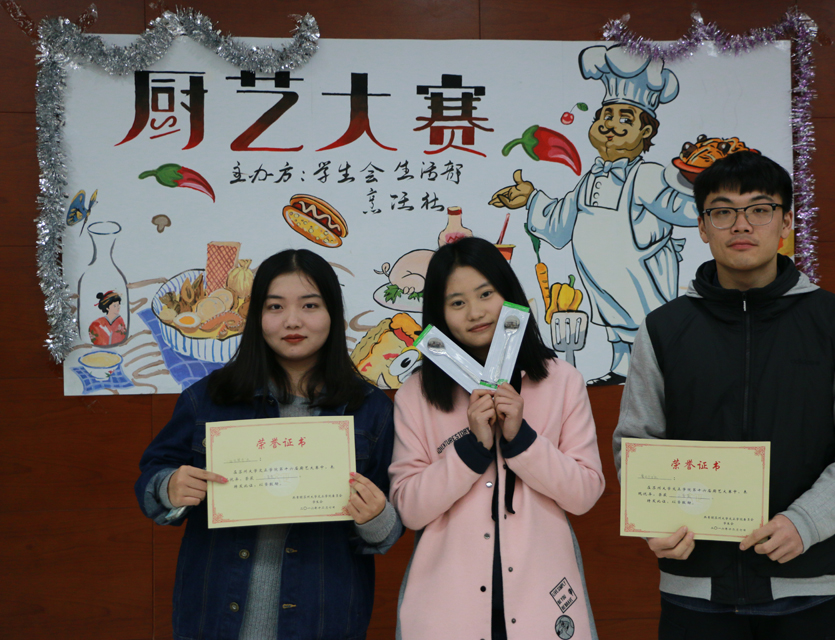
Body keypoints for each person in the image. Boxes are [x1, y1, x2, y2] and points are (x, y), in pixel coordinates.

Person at [613, 152, 835, 639]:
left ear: (786, 223)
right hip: (695, 591)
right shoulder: (663, 328)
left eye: (760, 209)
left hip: (807, 584)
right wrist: (656, 522)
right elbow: (636, 442)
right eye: (722, 211)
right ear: (702, 227)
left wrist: (806, 522)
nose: (741, 224)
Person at [135, 249, 402, 640]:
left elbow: (391, 528)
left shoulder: (369, 409)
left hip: (321, 621)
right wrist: (169, 487)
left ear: (333, 313)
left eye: (310, 305)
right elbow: (151, 479)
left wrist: (376, 517)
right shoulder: (209, 398)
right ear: (257, 315)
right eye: (275, 306)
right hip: (216, 617)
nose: (292, 320)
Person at [389, 237, 605, 639]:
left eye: (486, 294)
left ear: (509, 295)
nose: (475, 312)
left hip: (543, 605)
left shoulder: (561, 381)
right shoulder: (416, 395)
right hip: (445, 612)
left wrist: (522, 439)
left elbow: (585, 493)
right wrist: (471, 449)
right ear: (438, 314)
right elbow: (409, 509)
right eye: (457, 302)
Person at [490, 44, 699, 385]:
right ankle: (620, 370)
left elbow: (680, 208)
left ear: (646, 132)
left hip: (640, 279)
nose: (610, 126)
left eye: (624, 119)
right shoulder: (592, 176)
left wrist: (712, 194)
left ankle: (656, 375)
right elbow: (560, 221)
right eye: (605, 117)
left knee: (645, 330)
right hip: (604, 283)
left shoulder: (646, 175)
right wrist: (530, 199)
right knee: (617, 328)